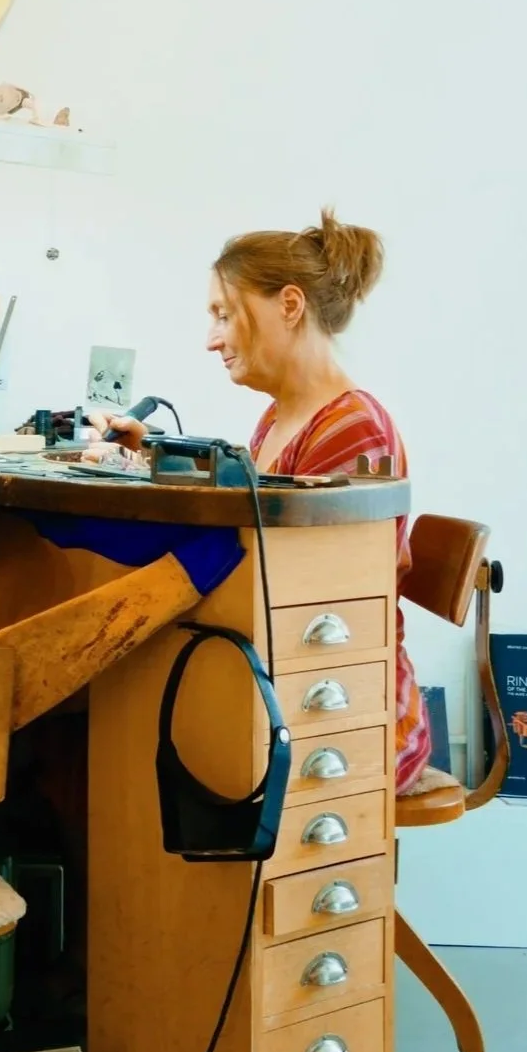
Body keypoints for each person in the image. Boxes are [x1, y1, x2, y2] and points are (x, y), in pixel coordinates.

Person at [90, 208, 438, 795]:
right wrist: (149, 453)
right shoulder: (281, 418)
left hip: (357, 714)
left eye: (224, 315)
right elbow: (255, 506)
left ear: (290, 306)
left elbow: (311, 593)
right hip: (301, 678)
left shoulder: (354, 430)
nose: (211, 339)